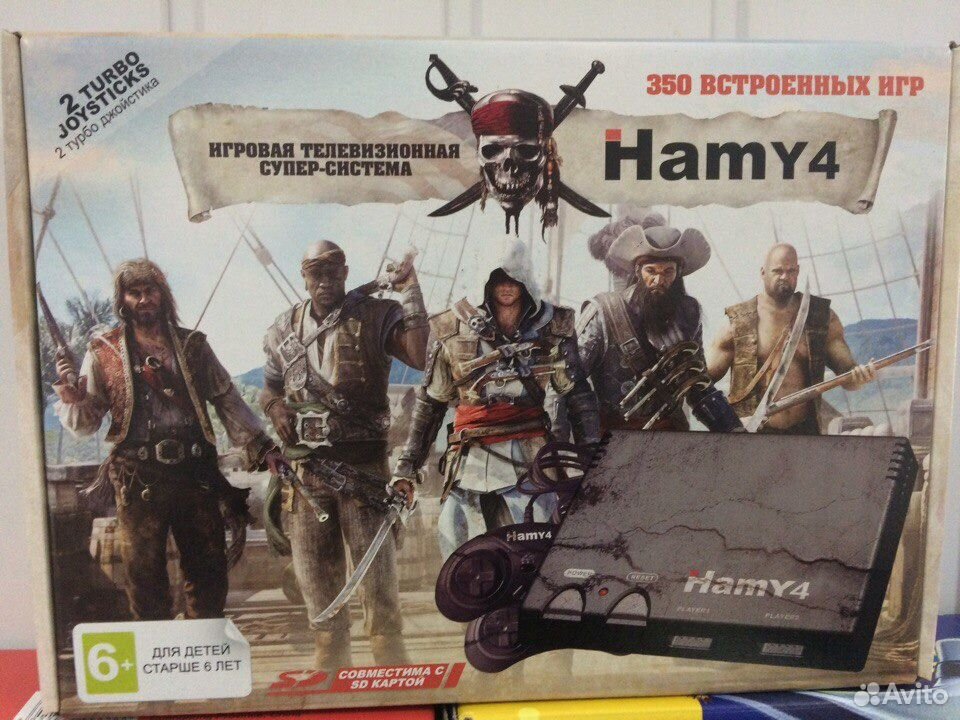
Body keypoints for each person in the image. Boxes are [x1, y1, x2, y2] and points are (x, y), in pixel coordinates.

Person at [53, 258, 276, 620]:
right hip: (138, 476)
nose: (144, 299)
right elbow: (86, 424)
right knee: (143, 578)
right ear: (123, 300)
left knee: (208, 572)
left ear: (163, 295)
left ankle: (204, 642)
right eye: (134, 293)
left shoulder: (193, 345)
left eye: (150, 291)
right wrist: (73, 399)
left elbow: (226, 398)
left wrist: (262, 445)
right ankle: (155, 650)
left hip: (195, 473)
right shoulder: (103, 351)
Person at [259, 240, 428, 669]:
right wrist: (274, 407)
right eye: (316, 273)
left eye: (333, 272)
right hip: (306, 477)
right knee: (321, 601)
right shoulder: (282, 330)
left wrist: (410, 289)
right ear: (304, 276)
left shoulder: (376, 315)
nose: (325, 281)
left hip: (365, 474)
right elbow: (270, 386)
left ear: (346, 273)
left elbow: (419, 354)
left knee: (381, 597)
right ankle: (330, 682)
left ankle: (395, 682)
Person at [392, 237, 600, 560]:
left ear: (525, 280)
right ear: (485, 281)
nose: (506, 286)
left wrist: (593, 462)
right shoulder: (451, 327)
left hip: (529, 458)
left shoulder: (553, 327)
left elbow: (578, 397)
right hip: (468, 460)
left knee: (536, 554)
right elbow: (431, 403)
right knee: (460, 553)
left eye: (513, 278)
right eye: (498, 278)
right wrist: (407, 467)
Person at [577, 221, 741, 432]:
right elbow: (568, 383)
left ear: (678, 273)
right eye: (651, 271)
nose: (658, 280)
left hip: (671, 435)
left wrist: (735, 431)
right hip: (613, 437)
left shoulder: (688, 316)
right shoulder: (603, 312)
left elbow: (697, 385)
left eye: (667, 272)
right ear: (638, 271)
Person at [707, 243, 877, 434]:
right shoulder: (738, 323)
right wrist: (728, 421)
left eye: (791, 271)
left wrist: (860, 376)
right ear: (763, 272)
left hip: (805, 434)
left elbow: (848, 376)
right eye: (778, 271)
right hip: (752, 435)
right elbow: (702, 384)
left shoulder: (821, 317)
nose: (784, 277)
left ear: (798, 271)